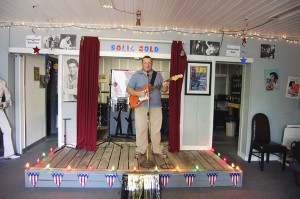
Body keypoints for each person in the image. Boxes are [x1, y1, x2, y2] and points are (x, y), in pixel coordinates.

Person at [126, 55, 169, 159]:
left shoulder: (158, 75)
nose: (147, 65)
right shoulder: (136, 76)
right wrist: (138, 94)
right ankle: (140, 150)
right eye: (145, 62)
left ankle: (157, 151)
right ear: (142, 64)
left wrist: (166, 85)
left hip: (156, 106)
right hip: (141, 106)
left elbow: (164, 90)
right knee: (141, 128)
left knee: (156, 129)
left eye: (149, 62)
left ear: (152, 63)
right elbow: (128, 89)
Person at [0, 79, 19, 159]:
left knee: (7, 129)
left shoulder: (1, 82)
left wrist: (5, 103)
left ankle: (9, 153)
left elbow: (8, 93)